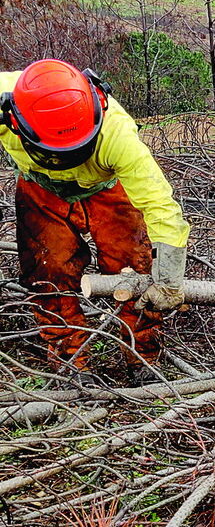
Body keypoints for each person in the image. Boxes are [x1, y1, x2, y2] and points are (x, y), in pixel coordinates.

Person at [0, 59, 189, 385]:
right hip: (40, 188)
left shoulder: (117, 134)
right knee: (47, 274)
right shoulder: (7, 103)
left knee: (135, 268)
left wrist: (169, 279)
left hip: (107, 187)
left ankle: (143, 356)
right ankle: (69, 360)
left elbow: (160, 204)